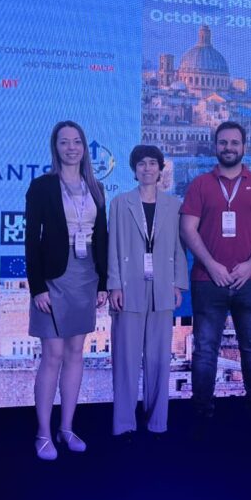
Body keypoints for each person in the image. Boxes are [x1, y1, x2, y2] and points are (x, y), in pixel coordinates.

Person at [179, 121, 251, 431]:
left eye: (235, 143)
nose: (229, 148)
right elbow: (187, 229)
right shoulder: (199, 185)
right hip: (207, 280)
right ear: (215, 147)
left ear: (244, 147)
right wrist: (211, 265)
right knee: (204, 349)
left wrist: (249, 265)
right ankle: (201, 411)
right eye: (223, 142)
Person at [25, 120, 108, 460]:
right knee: (53, 355)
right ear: (55, 147)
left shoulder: (96, 187)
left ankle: (67, 428)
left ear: (84, 147)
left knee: (76, 353)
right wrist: (37, 288)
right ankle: (43, 433)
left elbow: (102, 237)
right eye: (64, 142)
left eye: (77, 142)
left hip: (86, 278)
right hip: (53, 279)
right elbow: (31, 240)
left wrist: (103, 283)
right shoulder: (42, 186)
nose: (71, 148)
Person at [108, 144, 188, 438]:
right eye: (141, 163)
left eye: (153, 163)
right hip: (128, 287)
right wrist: (113, 284)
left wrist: (178, 283)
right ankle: (124, 423)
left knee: (159, 359)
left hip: (163, 287)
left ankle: (157, 422)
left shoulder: (174, 205)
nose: (147, 168)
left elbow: (180, 248)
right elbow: (112, 246)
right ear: (134, 169)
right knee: (125, 359)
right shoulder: (120, 203)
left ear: (160, 169)